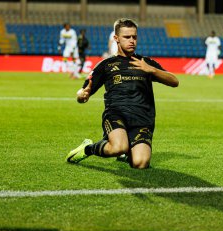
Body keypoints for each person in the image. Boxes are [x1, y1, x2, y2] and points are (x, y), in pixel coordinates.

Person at [65, 18, 179, 169]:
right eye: (127, 37)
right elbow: (83, 91)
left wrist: (152, 70)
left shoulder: (146, 63)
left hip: (142, 119)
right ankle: (88, 148)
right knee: (118, 147)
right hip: (116, 115)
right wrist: (81, 95)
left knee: (141, 163)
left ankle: (127, 151)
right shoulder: (106, 64)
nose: (132, 40)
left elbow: (174, 81)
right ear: (116, 38)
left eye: (134, 37)